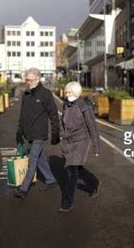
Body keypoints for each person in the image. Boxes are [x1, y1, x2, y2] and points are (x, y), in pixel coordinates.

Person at [14, 68, 60, 199]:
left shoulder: (45, 94)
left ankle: (23, 189)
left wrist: (55, 133)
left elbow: (53, 114)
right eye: (26, 80)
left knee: (32, 160)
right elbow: (22, 115)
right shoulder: (26, 94)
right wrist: (19, 131)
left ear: (38, 79)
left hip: (39, 133)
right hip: (29, 133)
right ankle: (51, 180)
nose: (27, 82)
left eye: (30, 80)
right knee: (40, 158)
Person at [59, 81, 100, 212]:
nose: (66, 94)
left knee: (71, 170)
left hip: (81, 140)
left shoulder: (84, 106)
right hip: (69, 140)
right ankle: (94, 183)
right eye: (66, 92)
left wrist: (96, 146)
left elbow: (92, 126)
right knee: (78, 168)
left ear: (76, 93)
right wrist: (61, 134)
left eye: (69, 92)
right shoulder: (66, 104)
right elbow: (62, 122)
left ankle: (67, 202)